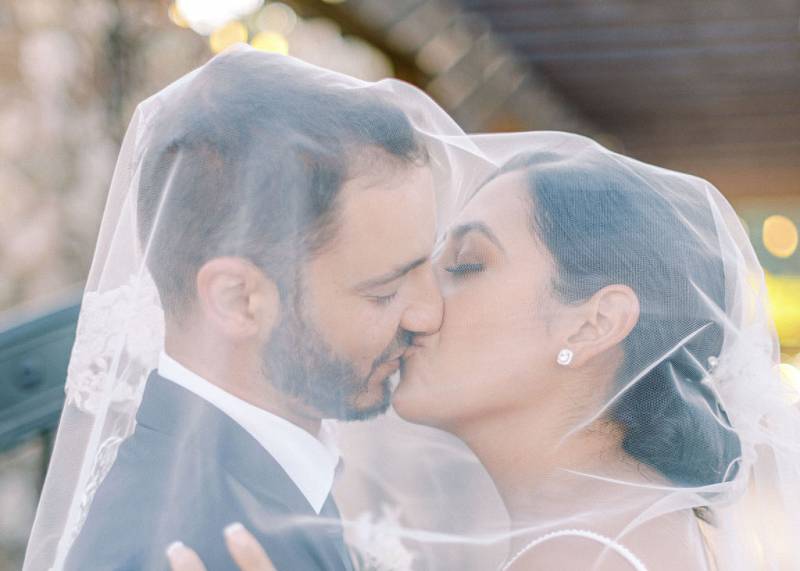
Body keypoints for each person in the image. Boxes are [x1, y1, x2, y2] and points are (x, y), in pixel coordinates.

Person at [171, 134, 800, 570]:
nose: (418, 307)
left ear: (593, 325)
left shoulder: (581, 557)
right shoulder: (644, 530)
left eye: (466, 265)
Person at [24, 45, 443, 571]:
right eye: (384, 291)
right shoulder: (189, 545)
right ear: (238, 300)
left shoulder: (241, 482)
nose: (428, 313)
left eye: (432, 265)